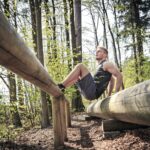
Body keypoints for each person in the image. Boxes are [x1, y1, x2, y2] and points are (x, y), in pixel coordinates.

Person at [58, 46, 123, 100]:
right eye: (96, 51)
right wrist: (109, 95)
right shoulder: (102, 67)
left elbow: (119, 76)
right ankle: (63, 88)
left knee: (80, 66)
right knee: (77, 77)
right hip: (90, 93)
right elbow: (112, 80)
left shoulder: (107, 64)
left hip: (93, 92)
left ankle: (61, 86)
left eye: (99, 51)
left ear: (105, 54)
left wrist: (116, 94)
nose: (96, 53)